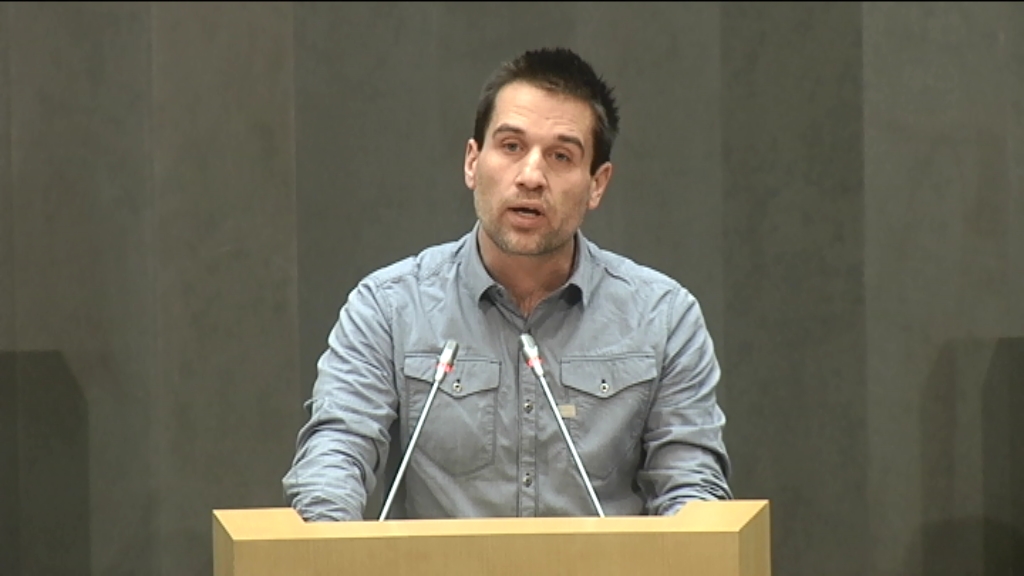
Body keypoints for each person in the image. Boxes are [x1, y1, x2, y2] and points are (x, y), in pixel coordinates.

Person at [282, 47, 732, 522]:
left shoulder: (663, 318)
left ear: (597, 184)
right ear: (472, 162)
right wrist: (328, 545)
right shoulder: (389, 308)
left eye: (561, 156)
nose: (531, 176)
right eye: (512, 147)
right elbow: (334, 458)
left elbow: (692, 491)